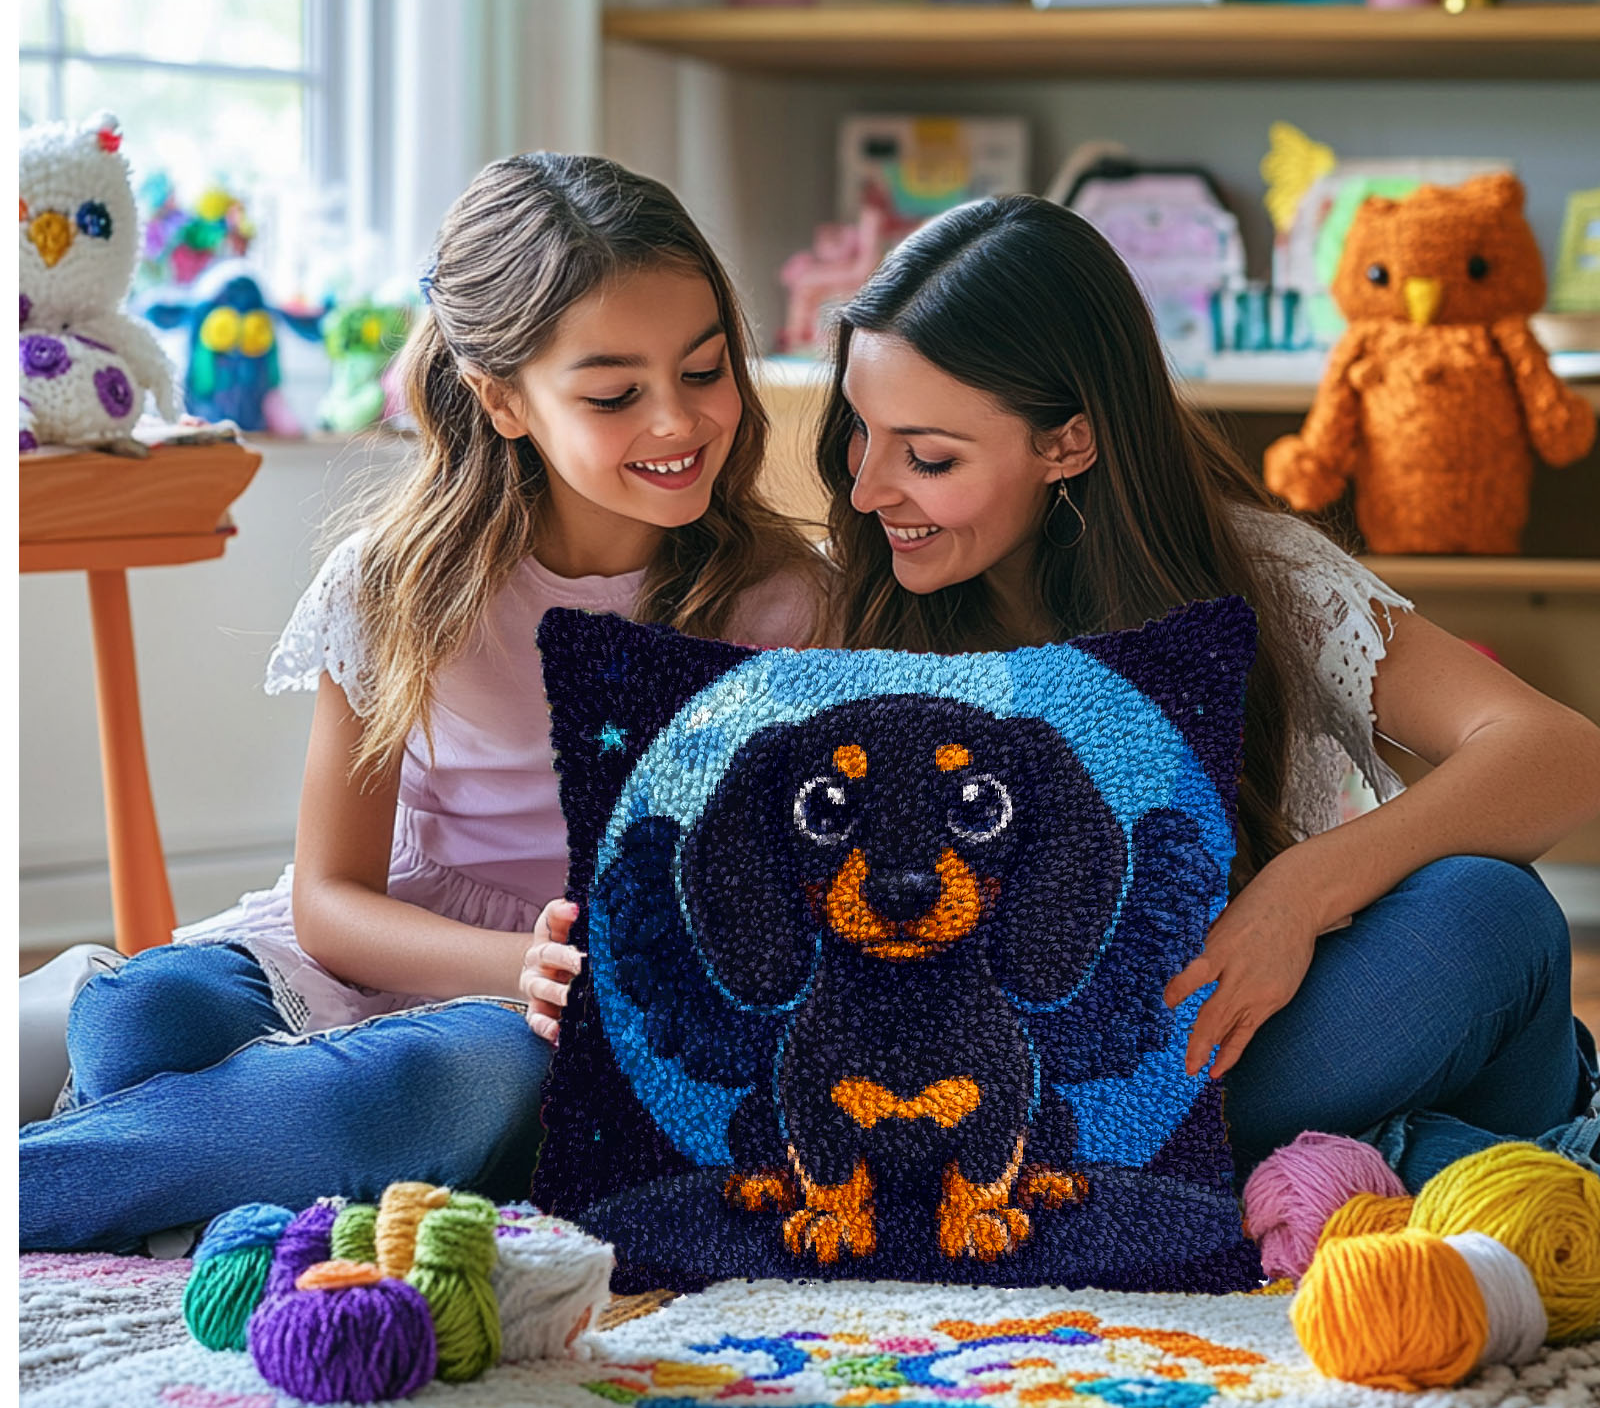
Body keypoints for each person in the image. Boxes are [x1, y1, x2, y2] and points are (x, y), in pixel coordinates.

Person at [20, 153, 826, 1253]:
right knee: (141, 1016)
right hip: (390, 953)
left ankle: (144, 1166)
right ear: (501, 398)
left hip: (552, 1025)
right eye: (614, 394)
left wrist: (572, 983)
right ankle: (247, 1161)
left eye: (704, 369)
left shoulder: (786, 603)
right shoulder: (394, 584)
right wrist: (512, 961)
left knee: (451, 1086)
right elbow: (329, 901)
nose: (678, 421)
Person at [813, 193, 1600, 1191]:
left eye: (927, 456)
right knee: (1503, 1085)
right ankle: (1446, 1173)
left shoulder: (1258, 573)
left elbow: (1559, 755)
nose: (867, 489)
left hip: (1228, 1048)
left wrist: (1297, 893)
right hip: (1001, 1103)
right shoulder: (840, 607)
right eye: (860, 430)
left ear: (1069, 444)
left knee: (1489, 913)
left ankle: (1384, 1177)